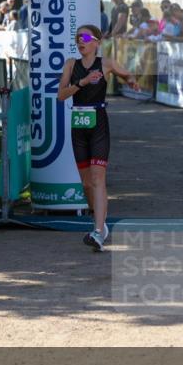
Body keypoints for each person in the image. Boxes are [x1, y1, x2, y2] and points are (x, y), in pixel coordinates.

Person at [57, 25, 139, 251]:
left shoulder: (106, 63)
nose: (80, 41)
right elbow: (61, 96)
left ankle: (98, 230)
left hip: (99, 124)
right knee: (86, 183)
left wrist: (131, 80)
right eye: (77, 38)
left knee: (97, 178)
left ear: (97, 41)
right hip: (78, 125)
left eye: (84, 37)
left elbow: (126, 74)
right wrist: (81, 83)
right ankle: (100, 224)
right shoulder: (71, 65)